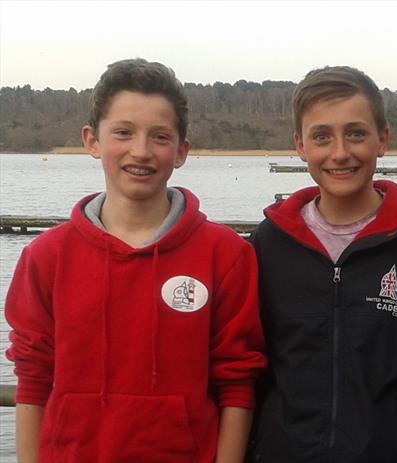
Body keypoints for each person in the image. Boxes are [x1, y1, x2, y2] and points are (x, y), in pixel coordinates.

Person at [4, 58, 266, 463]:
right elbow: (34, 379)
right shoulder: (45, 257)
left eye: (160, 137)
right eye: (123, 133)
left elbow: (237, 381)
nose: (140, 151)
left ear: (181, 151)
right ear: (92, 140)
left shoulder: (226, 255)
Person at [247, 65, 397, 462]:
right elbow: (249, 375)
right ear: (301, 146)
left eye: (355, 133)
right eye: (322, 136)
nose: (340, 153)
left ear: (382, 140)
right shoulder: (267, 246)